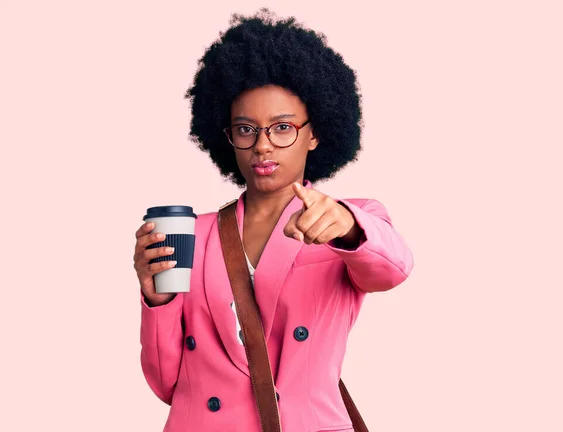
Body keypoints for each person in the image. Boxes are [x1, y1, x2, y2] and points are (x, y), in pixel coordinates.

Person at [133, 9, 414, 432]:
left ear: (314, 133)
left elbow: (393, 270)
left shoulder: (351, 220)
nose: (263, 146)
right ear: (227, 137)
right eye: (246, 129)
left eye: (282, 127)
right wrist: (157, 300)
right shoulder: (196, 232)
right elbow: (166, 383)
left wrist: (348, 227)